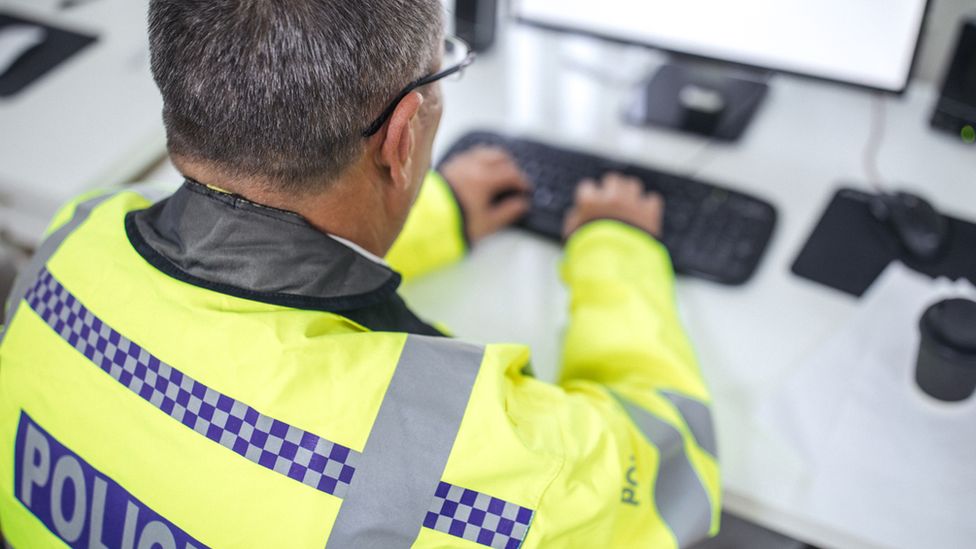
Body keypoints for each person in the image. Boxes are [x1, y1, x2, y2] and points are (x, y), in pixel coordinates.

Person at [0, 1, 720, 547]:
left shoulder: (71, 240)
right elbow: (676, 461)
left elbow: (241, 250)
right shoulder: (469, 459)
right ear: (403, 138)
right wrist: (616, 249)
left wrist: (430, 216)